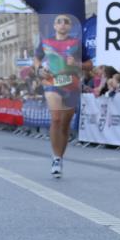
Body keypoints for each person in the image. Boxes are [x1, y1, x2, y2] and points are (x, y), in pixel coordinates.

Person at [35, 14, 82, 177]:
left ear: (70, 27)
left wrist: (76, 64)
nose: (62, 25)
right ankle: (55, 158)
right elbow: (37, 58)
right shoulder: (45, 42)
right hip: (52, 83)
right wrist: (39, 69)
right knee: (55, 118)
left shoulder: (77, 43)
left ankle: (59, 157)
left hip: (71, 85)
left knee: (65, 124)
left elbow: (89, 64)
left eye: (66, 22)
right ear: (54, 26)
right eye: (59, 22)